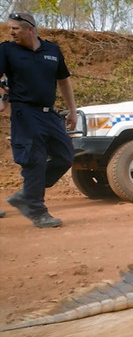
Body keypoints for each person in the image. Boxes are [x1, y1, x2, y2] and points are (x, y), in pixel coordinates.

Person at [0, 12, 77, 228]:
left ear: (30, 29)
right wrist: (2, 98)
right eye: (10, 28)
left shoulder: (52, 50)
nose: (11, 32)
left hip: (49, 114)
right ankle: (37, 210)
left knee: (66, 156)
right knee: (34, 159)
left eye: (15, 28)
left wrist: (72, 110)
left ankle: (26, 194)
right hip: (25, 113)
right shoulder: (7, 50)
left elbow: (63, 81)